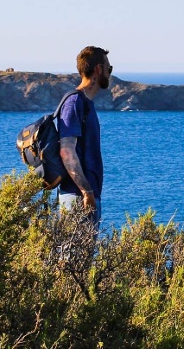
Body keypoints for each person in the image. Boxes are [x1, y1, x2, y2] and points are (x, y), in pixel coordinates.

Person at [57, 46, 111, 234]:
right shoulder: (74, 102)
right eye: (108, 69)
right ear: (98, 69)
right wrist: (86, 192)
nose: (109, 74)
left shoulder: (86, 104)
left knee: (82, 260)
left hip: (85, 196)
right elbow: (67, 151)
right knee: (71, 260)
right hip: (77, 197)